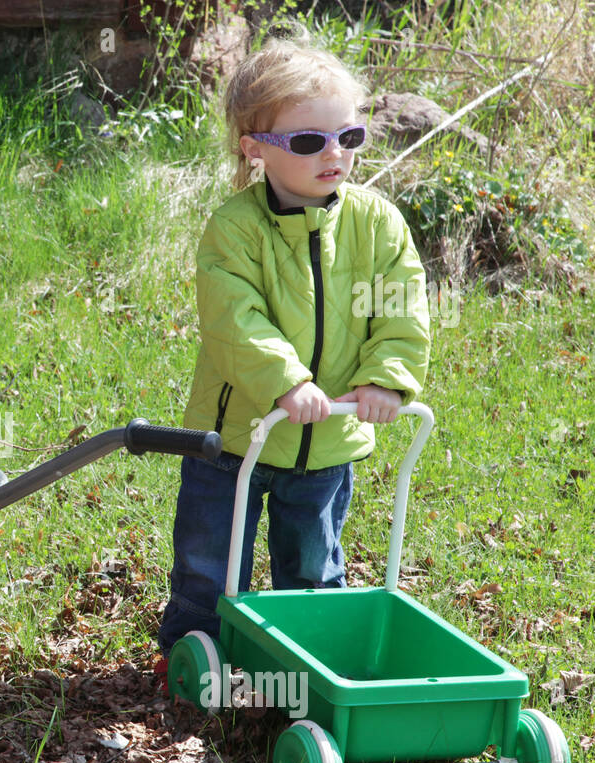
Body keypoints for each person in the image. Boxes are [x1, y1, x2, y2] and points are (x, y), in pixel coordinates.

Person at [156, 28, 432, 656]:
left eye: (349, 136)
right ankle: (194, 648)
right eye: (310, 141)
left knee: (314, 564)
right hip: (235, 439)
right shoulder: (234, 229)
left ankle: (305, 655)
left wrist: (386, 376)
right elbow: (235, 322)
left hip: (327, 436)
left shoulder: (376, 223)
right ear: (257, 151)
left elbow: (401, 306)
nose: (334, 152)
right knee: (210, 557)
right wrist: (287, 381)